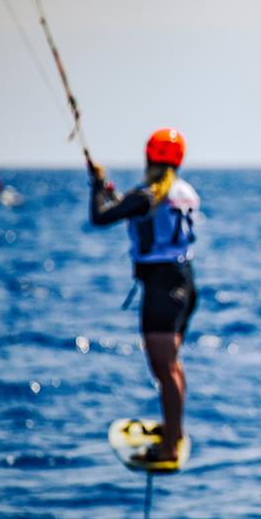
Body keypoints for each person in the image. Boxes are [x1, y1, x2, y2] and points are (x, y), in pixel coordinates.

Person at [89, 128, 199, 467]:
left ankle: (168, 446)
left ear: (149, 157)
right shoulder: (184, 191)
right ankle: (174, 431)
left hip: (161, 289)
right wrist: (113, 193)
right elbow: (139, 209)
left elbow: (101, 217)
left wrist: (96, 187)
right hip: (186, 284)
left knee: (163, 369)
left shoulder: (146, 194)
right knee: (172, 367)